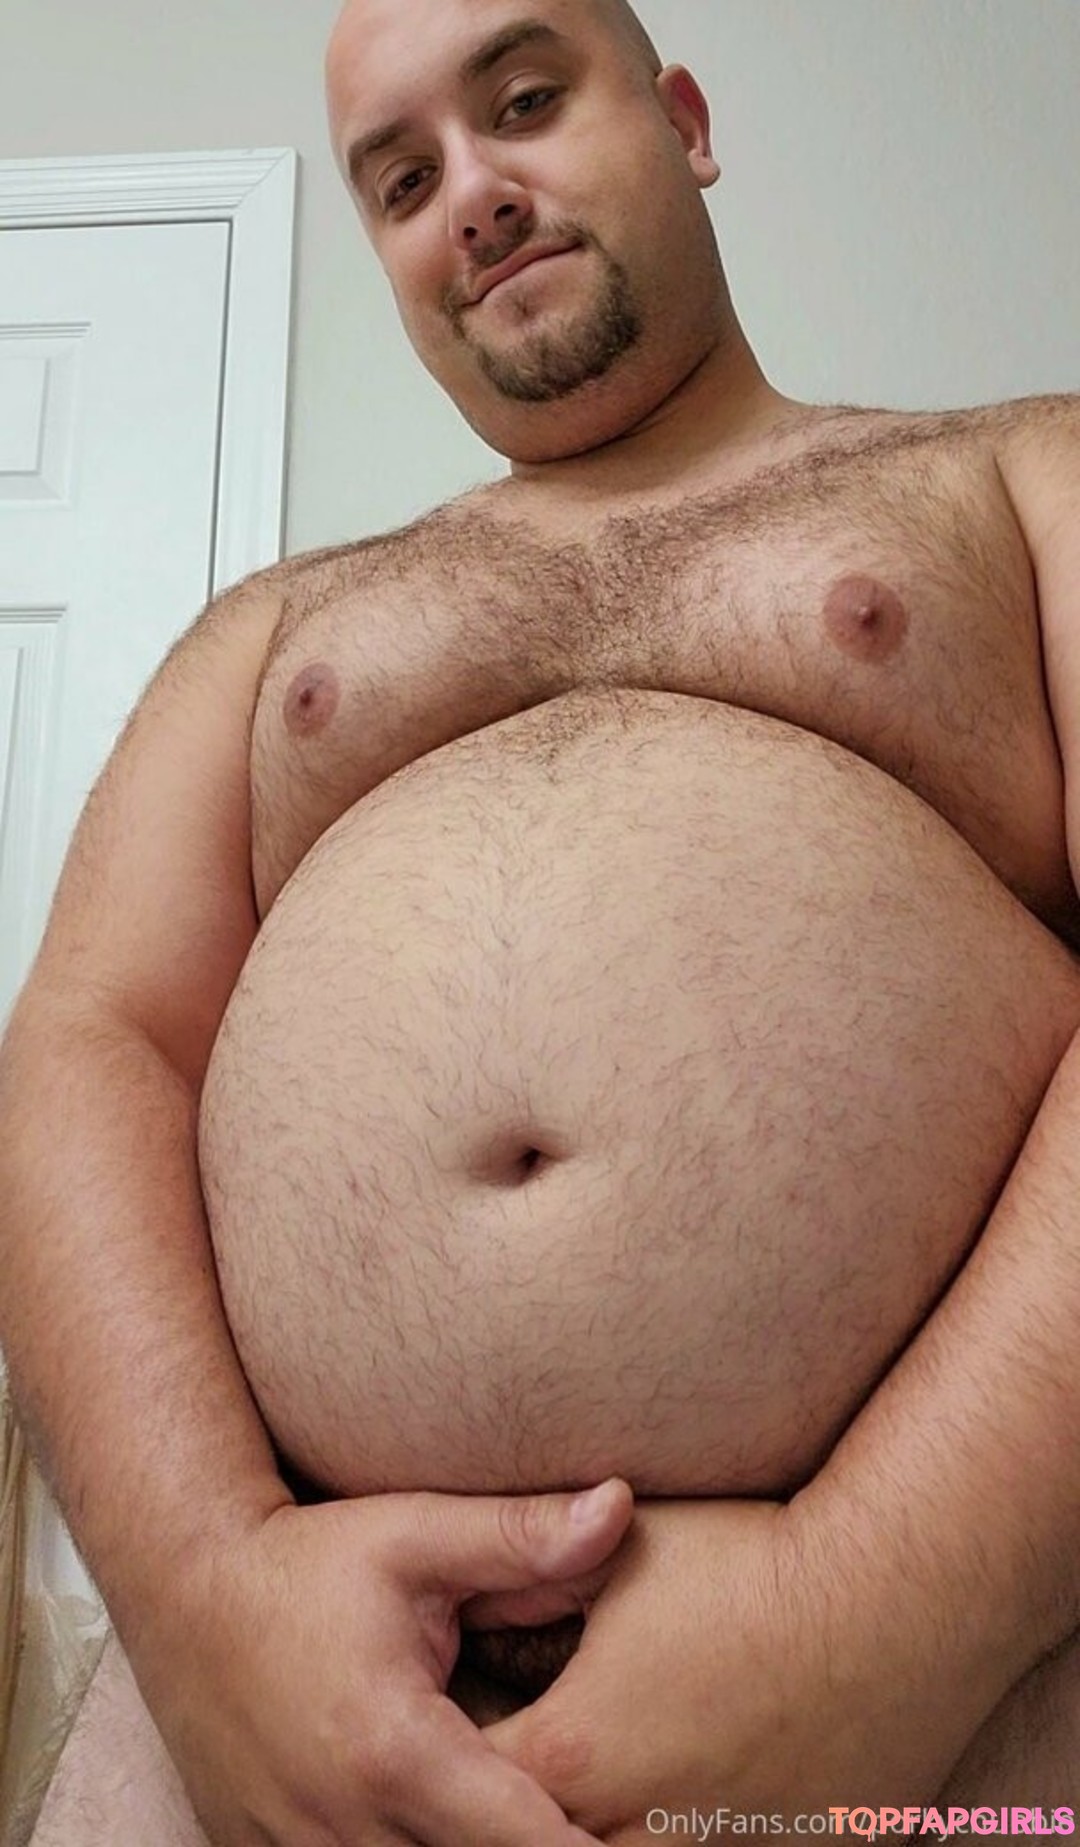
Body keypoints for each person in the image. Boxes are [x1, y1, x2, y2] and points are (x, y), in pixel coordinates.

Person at [2, 0, 1080, 1841]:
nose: (474, 197)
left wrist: (872, 1603)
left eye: (523, 101)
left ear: (684, 122)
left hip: (966, 1683)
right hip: (294, 1715)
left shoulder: (1015, 478)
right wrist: (205, 1600)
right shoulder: (277, 631)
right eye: (401, 182)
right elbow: (86, 1052)